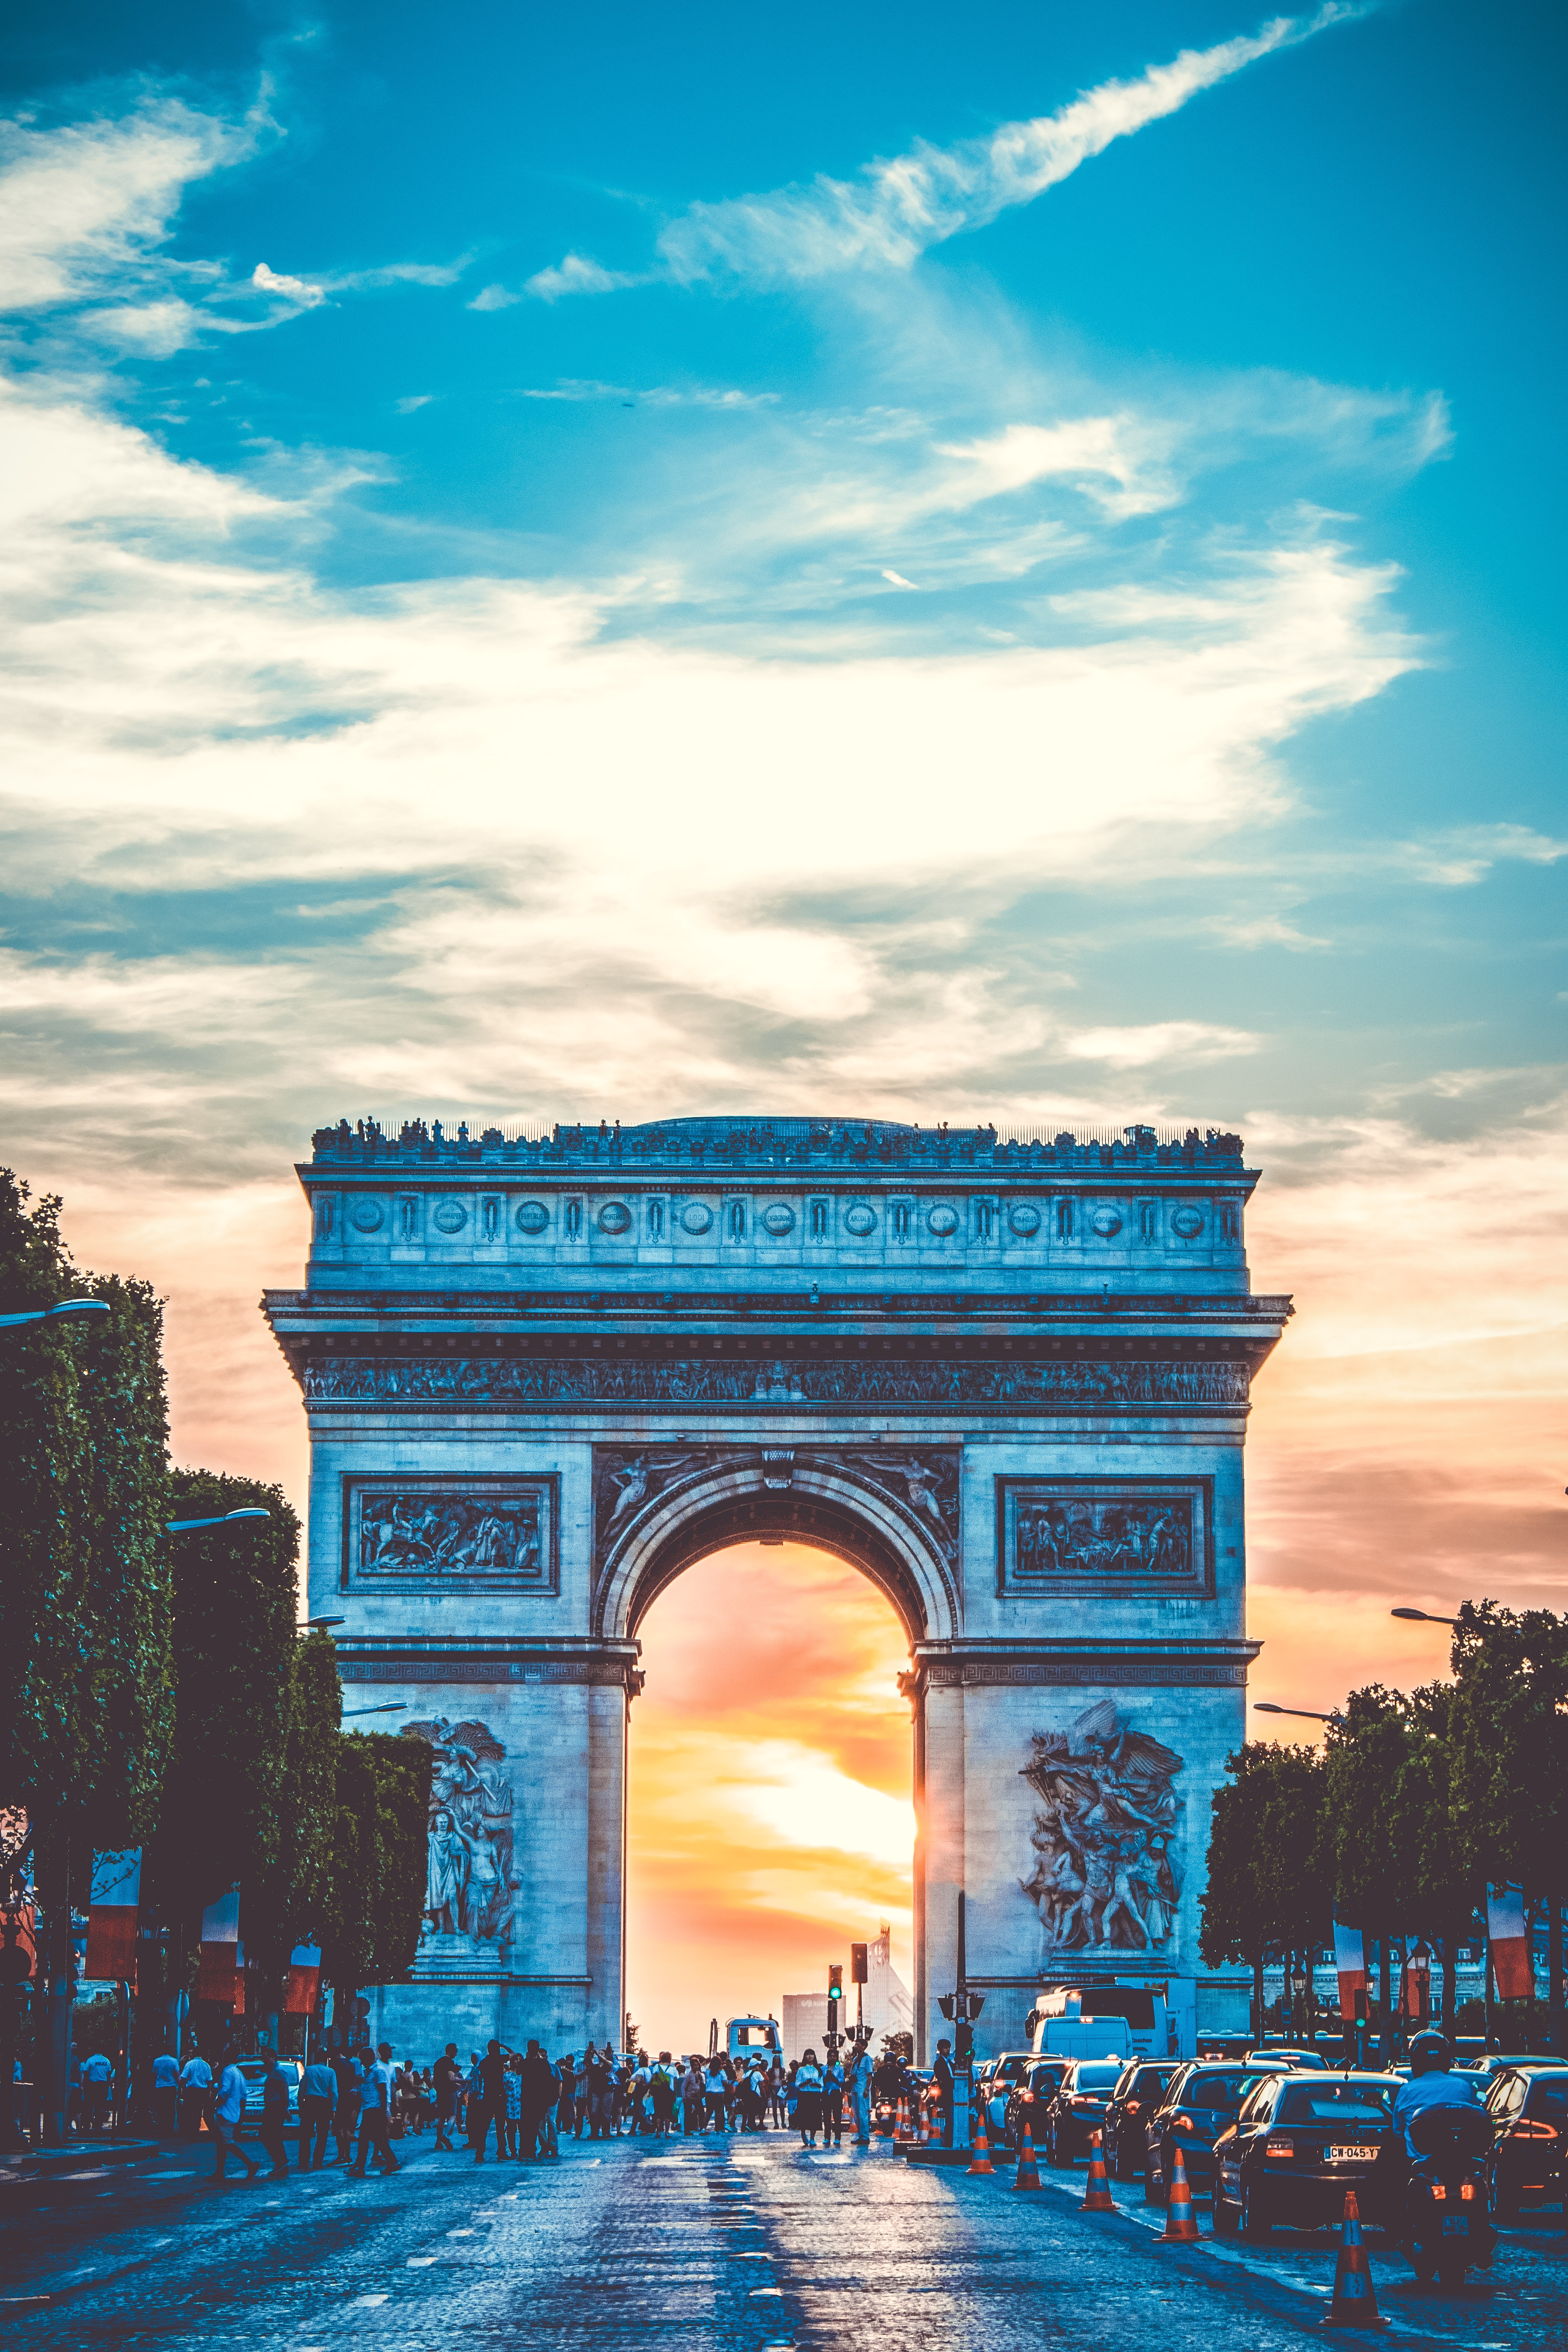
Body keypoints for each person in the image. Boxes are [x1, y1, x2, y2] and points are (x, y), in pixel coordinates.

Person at [1390, 2031, 1481, 2157]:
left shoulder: (1407, 2091)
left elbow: (1398, 2131)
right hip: (1458, 2160)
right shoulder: (1463, 2086)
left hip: (1419, 2163)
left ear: (1415, 2061)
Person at [348, 2042, 399, 2176]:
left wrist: (384, 2110)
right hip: (369, 2108)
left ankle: (360, 2167)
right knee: (375, 2139)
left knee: (368, 2138)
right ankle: (391, 2162)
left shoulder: (378, 2072)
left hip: (374, 2109)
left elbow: (383, 2092)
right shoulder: (368, 2073)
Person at [212, 2045, 261, 2181]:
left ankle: (250, 2164)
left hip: (226, 2111)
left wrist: (214, 2105)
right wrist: (242, 2115)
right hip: (235, 2112)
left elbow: (224, 2092)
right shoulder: (239, 2074)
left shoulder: (228, 2072)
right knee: (222, 2143)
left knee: (226, 2142)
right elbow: (244, 2098)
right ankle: (219, 2172)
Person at [299, 2050, 337, 2168]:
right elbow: (334, 2092)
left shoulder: (309, 2070)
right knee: (322, 2135)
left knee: (305, 2135)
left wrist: (300, 2105)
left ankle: (304, 2162)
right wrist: (334, 2108)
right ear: (326, 2060)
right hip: (324, 2104)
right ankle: (317, 2162)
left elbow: (302, 2088)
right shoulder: (331, 2072)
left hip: (309, 2103)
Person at [473, 2037, 507, 2162]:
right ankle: (502, 2152)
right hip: (499, 2097)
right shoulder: (500, 2059)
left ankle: (480, 2154)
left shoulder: (484, 2063)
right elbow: (514, 2055)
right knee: (500, 2127)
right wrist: (504, 2046)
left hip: (488, 2098)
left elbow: (479, 2078)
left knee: (484, 2127)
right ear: (497, 2049)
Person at [258, 2051, 291, 2180]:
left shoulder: (278, 2071)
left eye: (265, 2058)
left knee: (269, 2135)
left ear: (272, 2058)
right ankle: (281, 2163)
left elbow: (285, 2089)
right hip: (273, 2107)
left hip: (276, 2108)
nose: (264, 2060)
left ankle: (281, 2161)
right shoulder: (273, 2071)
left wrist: (285, 2108)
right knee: (270, 2135)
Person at [332, 2048, 360, 2164]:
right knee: (348, 2128)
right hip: (350, 2098)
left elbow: (335, 2086)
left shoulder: (338, 2065)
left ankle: (341, 2156)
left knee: (339, 2129)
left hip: (341, 2099)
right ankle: (347, 2156)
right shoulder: (351, 2064)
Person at [179, 2048, 213, 2140]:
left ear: (194, 2054)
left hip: (191, 2091)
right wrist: (209, 2092)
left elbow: (184, 2078)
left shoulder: (190, 2064)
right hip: (202, 2091)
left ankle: (189, 2131)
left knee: (189, 2110)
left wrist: (180, 2087)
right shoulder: (206, 2065)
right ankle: (195, 2130)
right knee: (198, 2112)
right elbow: (209, 2081)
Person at [432, 2042, 461, 2151]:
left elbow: (435, 2080)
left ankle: (438, 2142)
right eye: (455, 2052)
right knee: (453, 2116)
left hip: (441, 2093)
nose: (456, 2054)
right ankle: (446, 2136)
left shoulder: (438, 2063)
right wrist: (464, 2081)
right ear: (450, 2051)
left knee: (441, 2118)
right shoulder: (449, 2062)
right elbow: (451, 2078)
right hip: (450, 2092)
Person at [79, 2049, 113, 2136]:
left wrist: (85, 2088)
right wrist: (107, 2087)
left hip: (92, 2085)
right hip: (102, 2086)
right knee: (100, 2107)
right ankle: (98, 2126)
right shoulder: (107, 2061)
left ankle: (86, 2126)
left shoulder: (90, 2060)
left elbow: (87, 2075)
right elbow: (108, 2076)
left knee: (89, 2107)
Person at [794, 2050, 824, 2147]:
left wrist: (817, 2085)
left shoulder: (818, 2070)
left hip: (815, 2095)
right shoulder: (802, 2070)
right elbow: (797, 2084)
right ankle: (803, 2133)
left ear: (814, 2056)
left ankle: (812, 2138)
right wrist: (806, 2083)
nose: (810, 2056)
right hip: (804, 2095)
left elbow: (822, 2084)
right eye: (807, 2055)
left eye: (811, 2054)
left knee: (815, 2117)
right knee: (804, 2116)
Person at [848, 2040, 874, 2147]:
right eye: (856, 2044)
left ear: (864, 2047)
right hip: (855, 2088)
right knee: (856, 2114)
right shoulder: (856, 2059)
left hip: (862, 2088)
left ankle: (865, 2136)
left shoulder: (867, 2059)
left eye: (858, 2045)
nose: (856, 2046)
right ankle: (861, 2135)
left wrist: (867, 2090)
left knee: (863, 2113)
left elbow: (870, 2075)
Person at [151, 2049, 180, 2138]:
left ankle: (162, 2129)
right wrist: (181, 2086)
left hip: (160, 2086)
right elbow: (177, 2074)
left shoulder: (157, 2061)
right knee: (171, 2108)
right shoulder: (174, 2061)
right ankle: (169, 2129)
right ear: (170, 2051)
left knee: (161, 2108)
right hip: (171, 2087)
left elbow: (154, 2073)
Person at [933, 2039, 955, 2148]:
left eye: (949, 2048)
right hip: (947, 2095)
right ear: (941, 2050)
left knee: (953, 2119)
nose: (948, 2050)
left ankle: (952, 2141)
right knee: (950, 2120)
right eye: (946, 2048)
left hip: (955, 2094)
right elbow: (943, 2079)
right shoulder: (939, 2063)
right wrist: (952, 2083)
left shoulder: (950, 2063)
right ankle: (948, 2142)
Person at [820, 2051, 843, 2147]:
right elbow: (820, 2081)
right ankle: (827, 2137)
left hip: (836, 2092)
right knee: (827, 2116)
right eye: (831, 2056)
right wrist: (826, 2078)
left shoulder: (840, 2069)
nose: (832, 2058)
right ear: (827, 2057)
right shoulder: (822, 2068)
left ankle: (838, 2138)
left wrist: (833, 2078)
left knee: (838, 2116)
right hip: (826, 2093)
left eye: (834, 2056)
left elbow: (842, 2081)